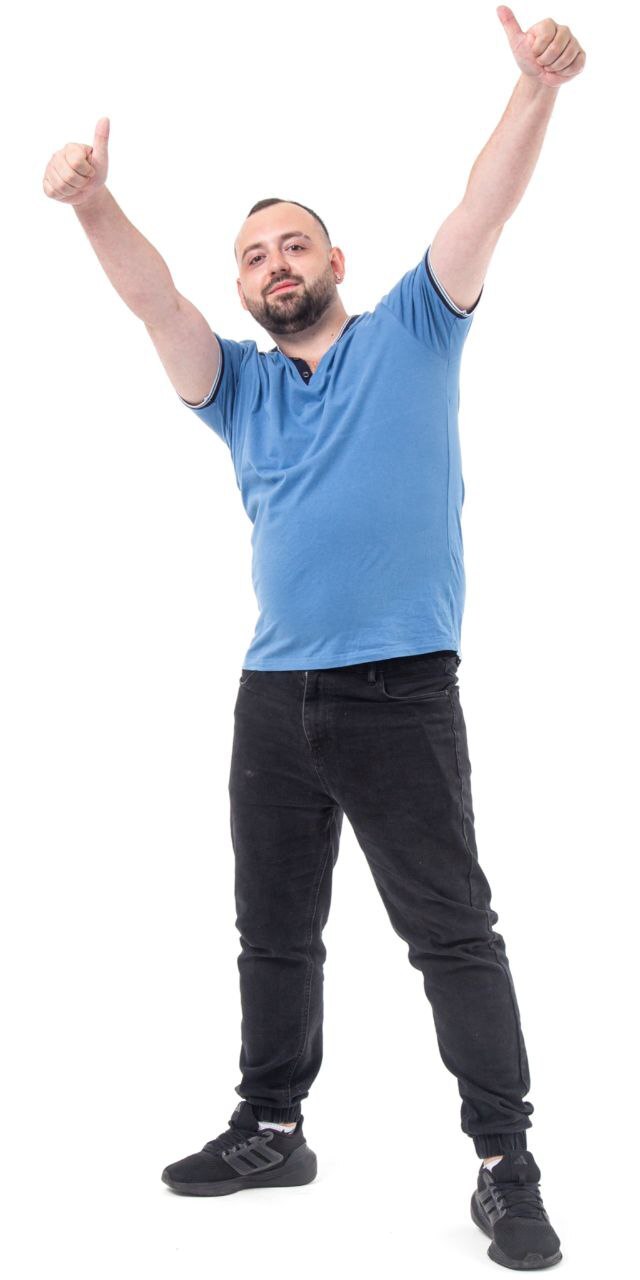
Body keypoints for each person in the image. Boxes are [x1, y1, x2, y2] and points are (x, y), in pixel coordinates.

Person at [43, 6, 585, 1269]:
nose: (274, 264)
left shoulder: (414, 328)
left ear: (335, 257)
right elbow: (154, 302)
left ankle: (504, 1162)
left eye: (293, 244)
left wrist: (533, 90)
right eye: (254, 257)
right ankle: (272, 1125)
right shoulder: (234, 386)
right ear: (245, 288)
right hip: (272, 698)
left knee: (450, 932)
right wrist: (93, 204)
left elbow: (481, 206)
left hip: (399, 692)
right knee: (273, 932)